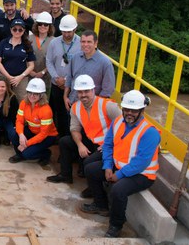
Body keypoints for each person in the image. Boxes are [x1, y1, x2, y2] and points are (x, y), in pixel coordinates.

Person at [80, 90, 160, 238]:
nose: (129, 113)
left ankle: (116, 225)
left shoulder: (150, 132)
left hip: (142, 174)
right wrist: (107, 166)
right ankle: (101, 204)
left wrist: (119, 175)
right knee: (90, 169)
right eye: (126, 109)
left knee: (118, 190)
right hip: (118, 166)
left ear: (142, 110)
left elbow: (141, 162)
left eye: (134, 110)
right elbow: (108, 145)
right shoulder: (118, 122)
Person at [47, 75, 121, 189]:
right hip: (91, 140)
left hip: (106, 145)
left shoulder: (108, 106)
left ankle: (93, 190)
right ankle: (65, 175)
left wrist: (110, 144)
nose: (83, 95)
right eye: (80, 92)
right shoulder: (76, 107)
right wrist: (80, 145)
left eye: (86, 91)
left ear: (93, 90)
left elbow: (124, 126)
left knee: (89, 164)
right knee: (64, 141)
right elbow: (74, 129)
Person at [8, 78, 58, 165]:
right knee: (13, 134)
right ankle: (20, 154)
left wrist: (26, 144)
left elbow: (43, 134)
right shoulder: (24, 103)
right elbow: (19, 121)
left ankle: (46, 154)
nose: (32, 96)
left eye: (36, 94)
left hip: (47, 136)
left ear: (41, 95)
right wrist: (21, 135)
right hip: (33, 131)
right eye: (30, 92)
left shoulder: (46, 110)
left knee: (27, 154)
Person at [46, 14, 80, 137]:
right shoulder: (54, 43)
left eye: (69, 32)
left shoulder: (81, 44)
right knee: (59, 113)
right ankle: (61, 138)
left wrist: (67, 81)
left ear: (75, 29)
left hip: (73, 87)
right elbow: (49, 61)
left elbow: (81, 65)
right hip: (57, 85)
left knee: (72, 114)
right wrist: (56, 78)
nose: (66, 34)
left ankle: (72, 137)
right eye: (64, 31)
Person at [64, 30, 116, 110]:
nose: (85, 45)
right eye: (83, 42)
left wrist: (95, 107)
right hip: (73, 104)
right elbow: (69, 78)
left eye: (89, 42)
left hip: (91, 109)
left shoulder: (105, 63)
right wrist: (65, 96)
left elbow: (107, 90)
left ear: (95, 43)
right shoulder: (75, 58)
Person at [0, 18, 35, 101]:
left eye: (20, 30)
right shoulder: (4, 42)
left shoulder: (27, 44)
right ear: (11, 30)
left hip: (21, 79)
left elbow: (31, 65)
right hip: (4, 77)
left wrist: (20, 77)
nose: (17, 32)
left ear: (24, 31)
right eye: (15, 29)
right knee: (3, 99)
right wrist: (8, 77)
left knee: (21, 100)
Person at [29, 11, 55, 90]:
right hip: (30, 76)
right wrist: (30, 71)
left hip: (46, 78)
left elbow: (54, 60)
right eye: (40, 24)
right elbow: (25, 56)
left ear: (49, 26)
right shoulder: (29, 39)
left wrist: (43, 72)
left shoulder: (54, 41)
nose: (42, 26)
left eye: (46, 24)